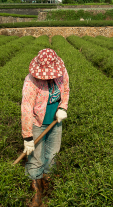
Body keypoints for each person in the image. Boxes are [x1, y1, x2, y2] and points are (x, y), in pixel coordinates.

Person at [21, 48, 70, 207]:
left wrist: (63, 108)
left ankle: (48, 186)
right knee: (36, 157)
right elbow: (26, 108)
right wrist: (27, 137)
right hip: (37, 123)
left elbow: (66, 90)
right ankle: (36, 193)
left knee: (52, 154)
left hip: (56, 121)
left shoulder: (62, 73)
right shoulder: (31, 81)